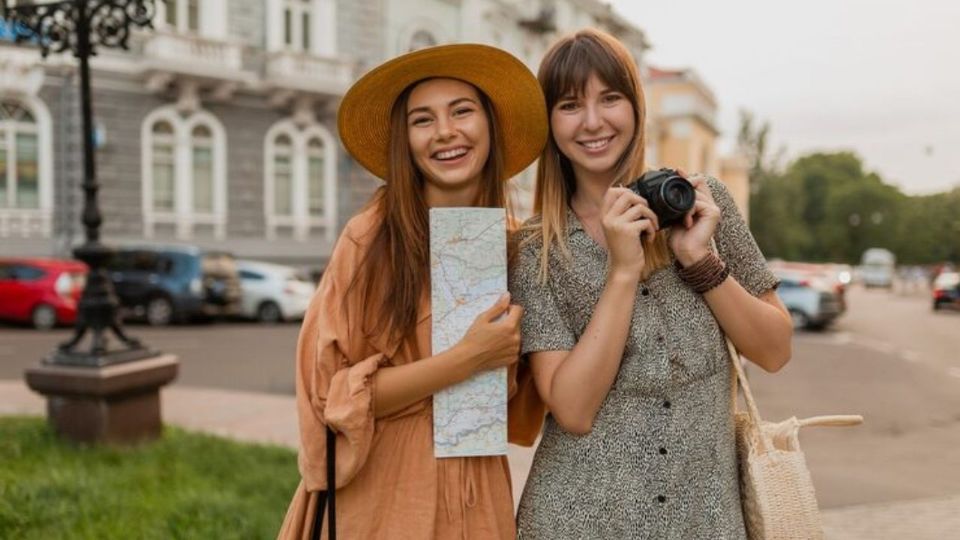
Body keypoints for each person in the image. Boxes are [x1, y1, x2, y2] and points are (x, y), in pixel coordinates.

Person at [509, 28, 794, 538]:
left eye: (610, 98)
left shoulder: (705, 203)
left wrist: (700, 261)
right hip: (578, 522)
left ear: (637, 107)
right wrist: (622, 272)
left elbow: (775, 352)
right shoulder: (538, 251)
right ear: (549, 122)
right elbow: (572, 410)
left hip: (704, 521)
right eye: (570, 105)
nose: (593, 121)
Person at [277, 44, 547, 539]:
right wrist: (466, 359)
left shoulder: (514, 247)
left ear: (490, 124)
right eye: (423, 120)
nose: (445, 131)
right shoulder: (369, 239)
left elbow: (522, 406)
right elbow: (332, 397)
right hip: (386, 495)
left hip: (477, 491)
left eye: (462, 111)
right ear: (405, 141)